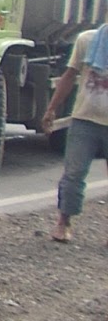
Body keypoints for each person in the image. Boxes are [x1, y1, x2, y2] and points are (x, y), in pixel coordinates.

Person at [40, 23, 108, 242]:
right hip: (84, 119)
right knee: (73, 174)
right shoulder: (87, 41)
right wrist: (51, 109)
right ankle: (63, 223)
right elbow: (69, 76)